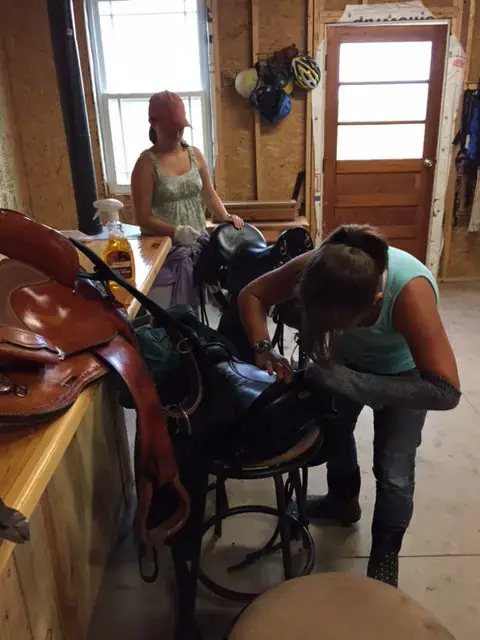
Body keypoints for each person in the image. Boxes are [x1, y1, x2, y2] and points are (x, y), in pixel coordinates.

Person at [238, 224, 460, 587]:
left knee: (394, 470)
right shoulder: (322, 266)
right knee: (335, 432)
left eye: (343, 322)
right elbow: (253, 294)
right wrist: (262, 348)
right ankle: (342, 502)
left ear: (375, 301)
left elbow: (446, 390)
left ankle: (385, 553)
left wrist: (344, 381)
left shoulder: (409, 294)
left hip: (407, 374)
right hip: (345, 364)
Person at [131, 90, 243, 309]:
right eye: (171, 127)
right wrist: (176, 232)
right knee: (169, 312)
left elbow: (209, 194)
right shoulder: (146, 164)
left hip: (196, 242)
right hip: (164, 250)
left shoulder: (195, 155)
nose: (177, 132)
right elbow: (143, 218)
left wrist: (225, 215)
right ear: (153, 123)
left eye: (180, 127)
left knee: (198, 307)